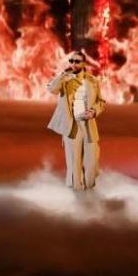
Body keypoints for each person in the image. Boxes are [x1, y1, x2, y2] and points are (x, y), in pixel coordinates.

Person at [46, 50, 105, 190]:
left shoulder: (93, 81)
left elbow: (101, 101)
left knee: (92, 160)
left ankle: (90, 187)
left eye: (77, 61)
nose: (73, 64)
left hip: (88, 124)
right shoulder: (64, 81)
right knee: (74, 162)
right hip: (71, 125)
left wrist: (94, 111)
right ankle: (77, 192)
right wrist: (62, 75)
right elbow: (52, 89)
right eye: (71, 61)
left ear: (84, 63)